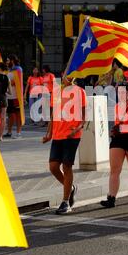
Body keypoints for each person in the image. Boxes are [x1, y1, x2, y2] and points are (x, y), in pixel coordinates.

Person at [42, 75, 86, 214]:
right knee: (53, 167)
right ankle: (71, 188)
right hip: (58, 135)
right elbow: (53, 115)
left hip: (72, 135)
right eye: (66, 74)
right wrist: (49, 133)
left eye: (71, 75)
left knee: (67, 166)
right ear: (63, 76)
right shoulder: (56, 92)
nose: (69, 77)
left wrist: (77, 129)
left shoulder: (80, 91)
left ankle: (65, 201)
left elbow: (85, 116)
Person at [4, 55, 23, 138]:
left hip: (16, 96)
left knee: (18, 114)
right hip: (9, 96)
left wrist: (10, 82)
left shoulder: (18, 69)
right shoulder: (8, 71)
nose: (7, 62)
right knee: (10, 114)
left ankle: (19, 133)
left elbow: (18, 82)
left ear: (12, 61)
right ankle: (9, 131)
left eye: (8, 60)